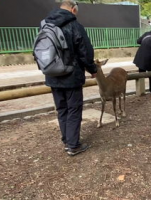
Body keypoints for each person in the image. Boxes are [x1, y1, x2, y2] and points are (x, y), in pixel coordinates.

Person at [41, 0, 97, 156]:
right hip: (71, 75)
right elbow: (85, 52)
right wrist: (92, 69)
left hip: (52, 73)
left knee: (62, 109)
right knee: (74, 109)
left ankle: (67, 140)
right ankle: (73, 145)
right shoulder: (75, 26)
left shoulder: (45, 24)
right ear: (73, 10)